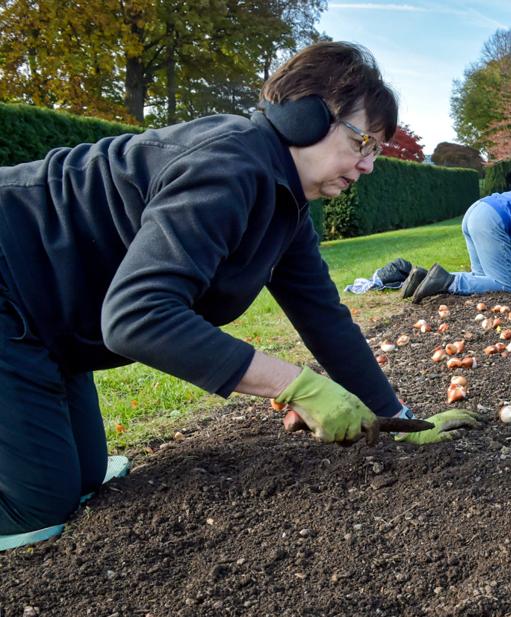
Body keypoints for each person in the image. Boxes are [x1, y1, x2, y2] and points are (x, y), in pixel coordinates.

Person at [0, 42, 476, 551]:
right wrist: (298, 386)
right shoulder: (227, 166)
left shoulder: (283, 200)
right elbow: (138, 317)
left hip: (50, 326)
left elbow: (324, 317)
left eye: (376, 151)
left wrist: (400, 420)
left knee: (85, 479)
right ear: (304, 117)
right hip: (9, 294)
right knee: (37, 509)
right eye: (363, 143)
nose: (369, 166)